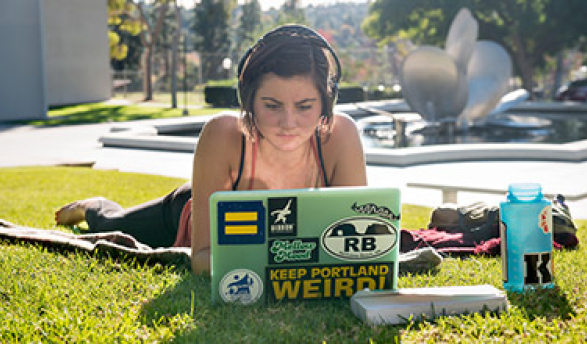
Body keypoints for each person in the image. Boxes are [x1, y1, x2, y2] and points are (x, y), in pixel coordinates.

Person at [55, 24, 367, 274]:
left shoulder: (340, 135)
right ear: (249, 100)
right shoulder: (223, 133)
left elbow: (359, 241)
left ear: (326, 102)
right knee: (111, 225)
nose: (288, 122)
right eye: (271, 105)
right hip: (187, 213)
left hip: (257, 241)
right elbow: (203, 258)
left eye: (305, 106)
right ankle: (92, 205)